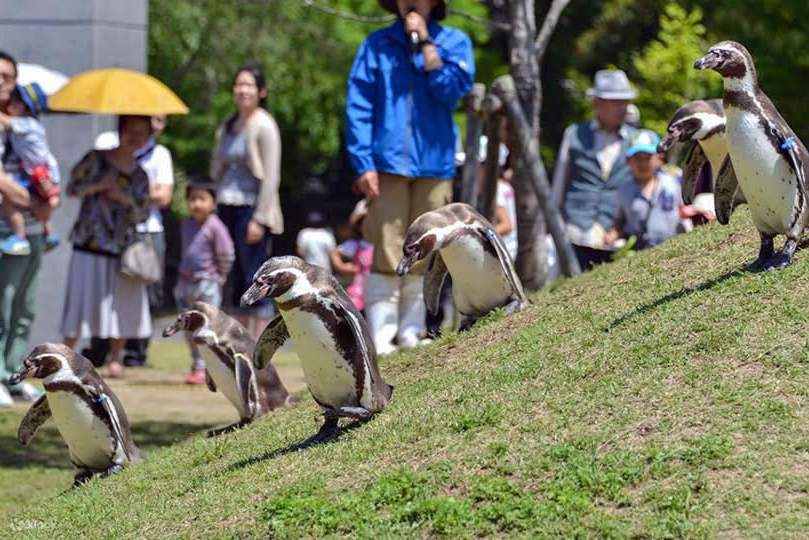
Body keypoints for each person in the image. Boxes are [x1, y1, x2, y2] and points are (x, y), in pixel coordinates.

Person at [346, 0, 474, 354]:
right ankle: (383, 336)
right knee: (387, 245)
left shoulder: (455, 42)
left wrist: (427, 47)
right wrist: (363, 161)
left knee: (428, 246)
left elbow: (452, 91)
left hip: (435, 163)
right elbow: (358, 104)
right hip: (385, 163)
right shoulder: (376, 45)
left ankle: (412, 331)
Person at [60, 115, 152, 379]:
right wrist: (98, 186)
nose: (135, 137)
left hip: (121, 247)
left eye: (142, 132)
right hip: (88, 242)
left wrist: (123, 198)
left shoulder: (140, 174)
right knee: (79, 302)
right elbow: (72, 188)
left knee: (119, 305)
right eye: (131, 130)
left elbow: (143, 213)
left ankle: (116, 358)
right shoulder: (95, 158)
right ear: (120, 131)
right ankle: (65, 355)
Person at [0, 51, 59, 406]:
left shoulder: (26, 123)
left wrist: (48, 198)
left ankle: (13, 374)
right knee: (2, 306)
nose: (1, 82)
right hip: (6, 227)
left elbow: (45, 166)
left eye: (7, 76)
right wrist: (30, 199)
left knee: (25, 306)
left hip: (34, 227)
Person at [211, 63, 282, 338]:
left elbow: (271, 176)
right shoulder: (228, 126)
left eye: (248, 85)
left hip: (251, 207)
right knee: (234, 277)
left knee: (256, 276)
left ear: (261, 91)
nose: (242, 90)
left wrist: (260, 218)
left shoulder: (265, 125)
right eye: (238, 85)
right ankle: (240, 340)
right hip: (225, 204)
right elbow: (217, 167)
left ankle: (261, 341)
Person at [552, 69, 638, 270]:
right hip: (574, 231)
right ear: (597, 103)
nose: (623, 107)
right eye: (616, 102)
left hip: (613, 237)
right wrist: (554, 226)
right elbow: (559, 184)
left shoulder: (635, 139)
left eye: (625, 101)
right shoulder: (574, 135)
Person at [123, 115, 174, 367]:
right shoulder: (112, 146)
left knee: (150, 291)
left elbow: (164, 196)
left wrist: (128, 190)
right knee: (120, 289)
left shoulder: (160, 153)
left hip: (150, 229)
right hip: (120, 228)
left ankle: (138, 349)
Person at [174, 177, 234, 385]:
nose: (196, 204)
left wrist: (221, 276)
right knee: (188, 327)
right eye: (192, 199)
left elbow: (226, 254)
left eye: (202, 199)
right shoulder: (186, 225)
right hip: (185, 283)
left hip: (207, 283)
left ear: (213, 203)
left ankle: (210, 366)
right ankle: (197, 364)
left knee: (206, 328)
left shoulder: (215, 226)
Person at [0, 82, 60, 256]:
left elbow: (5, 121)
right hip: (33, 171)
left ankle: (20, 237)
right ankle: (49, 233)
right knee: (44, 202)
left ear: (28, 109)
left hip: (39, 172)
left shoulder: (27, 123)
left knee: (11, 202)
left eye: (17, 102)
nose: (11, 104)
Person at [604, 129, 686, 250]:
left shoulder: (674, 182)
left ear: (660, 158)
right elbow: (619, 222)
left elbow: (686, 211)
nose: (642, 163)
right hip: (640, 250)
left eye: (647, 157)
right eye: (637, 158)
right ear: (628, 160)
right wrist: (613, 234)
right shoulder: (623, 190)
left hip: (674, 247)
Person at [330, 200, 374, 312]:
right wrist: (341, 267)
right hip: (359, 293)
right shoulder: (356, 245)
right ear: (358, 226)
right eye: (364, 222)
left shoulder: (385, 245)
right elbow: (334, 253)